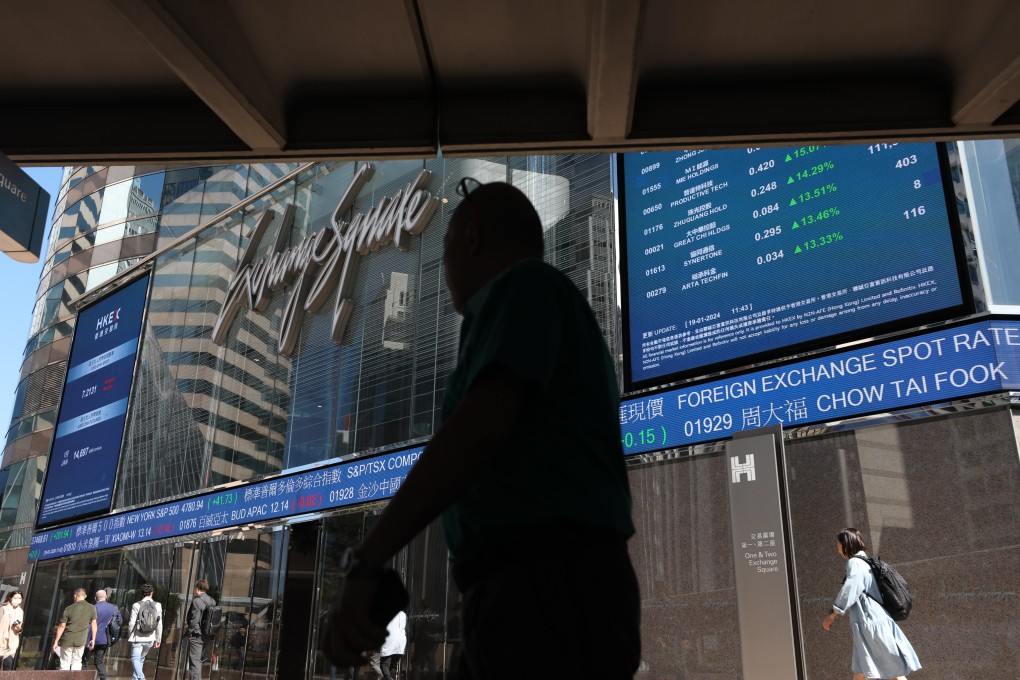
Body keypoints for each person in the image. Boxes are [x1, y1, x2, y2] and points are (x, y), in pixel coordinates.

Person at [322, 179, 641, 679]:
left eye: (444, 244)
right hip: (530, 592)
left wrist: (367, 561)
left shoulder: (526, 286)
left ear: (472, 236)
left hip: (547, 593)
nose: (443, 264)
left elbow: (476, 432)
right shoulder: (524, 304)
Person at [822, 528, 921, 680]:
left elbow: (850, 588)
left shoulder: (855, 563)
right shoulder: (866, 561)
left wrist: (834, 613)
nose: (837, 546)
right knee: (860, 673)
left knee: (894, 673)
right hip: (870, 623)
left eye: (838, 543)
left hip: (870, 623)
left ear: (845, 545)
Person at [52, 588, 97, 670]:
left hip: (67, 640)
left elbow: (62, 626)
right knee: (77, 662)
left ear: (75, 596)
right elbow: (94, 624)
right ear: (85, 596)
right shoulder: (92, 608)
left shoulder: (68, 609)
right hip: (81, 640)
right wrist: (93, 639)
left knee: (65, 663)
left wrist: (56, 641)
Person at [127, 584, 162, 680]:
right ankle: (135, 678)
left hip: (138, 638)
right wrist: (158, 639)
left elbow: (131, 623)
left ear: (141, 593)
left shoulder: (136, 605)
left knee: (135, 659)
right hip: (150, 638)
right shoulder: (158, 605)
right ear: (151, 593)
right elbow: (159, 624)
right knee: (141, 659)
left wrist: (130, 635)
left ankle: (141, 678)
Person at [85, 589, 122, 680]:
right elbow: (119, 621)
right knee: (99, 661)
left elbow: (86, 624)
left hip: (90, 639)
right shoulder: (114, 608)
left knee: (84, 661)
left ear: (95, 598)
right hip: (105, 639)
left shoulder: (92, 608)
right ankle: (104, 678)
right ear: (106, 597)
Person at [186, 579, 216, 680]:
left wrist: (191, 633)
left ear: (197, 588)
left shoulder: (197, 601)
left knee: (195, 662)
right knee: (198, 660)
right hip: (207, 635)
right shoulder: (212, 600)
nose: (194, 590)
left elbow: (194, 620)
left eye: (194, 588)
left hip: (197, 635)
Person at [0, 590, 24, 670]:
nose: (17, 600)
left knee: (8, 664)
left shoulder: (20, 612)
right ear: (11, 598)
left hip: (12, 642)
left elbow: (19, 626)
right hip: (1, 640)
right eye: (15, 598)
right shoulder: (3, 609)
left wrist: (18, 629)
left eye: (19, 598)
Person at [380, 610, 407, 680]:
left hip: (390, 640)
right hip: (400, 642)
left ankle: (389, 679)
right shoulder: (403, 614)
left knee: (384, 664)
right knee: (393, 666)